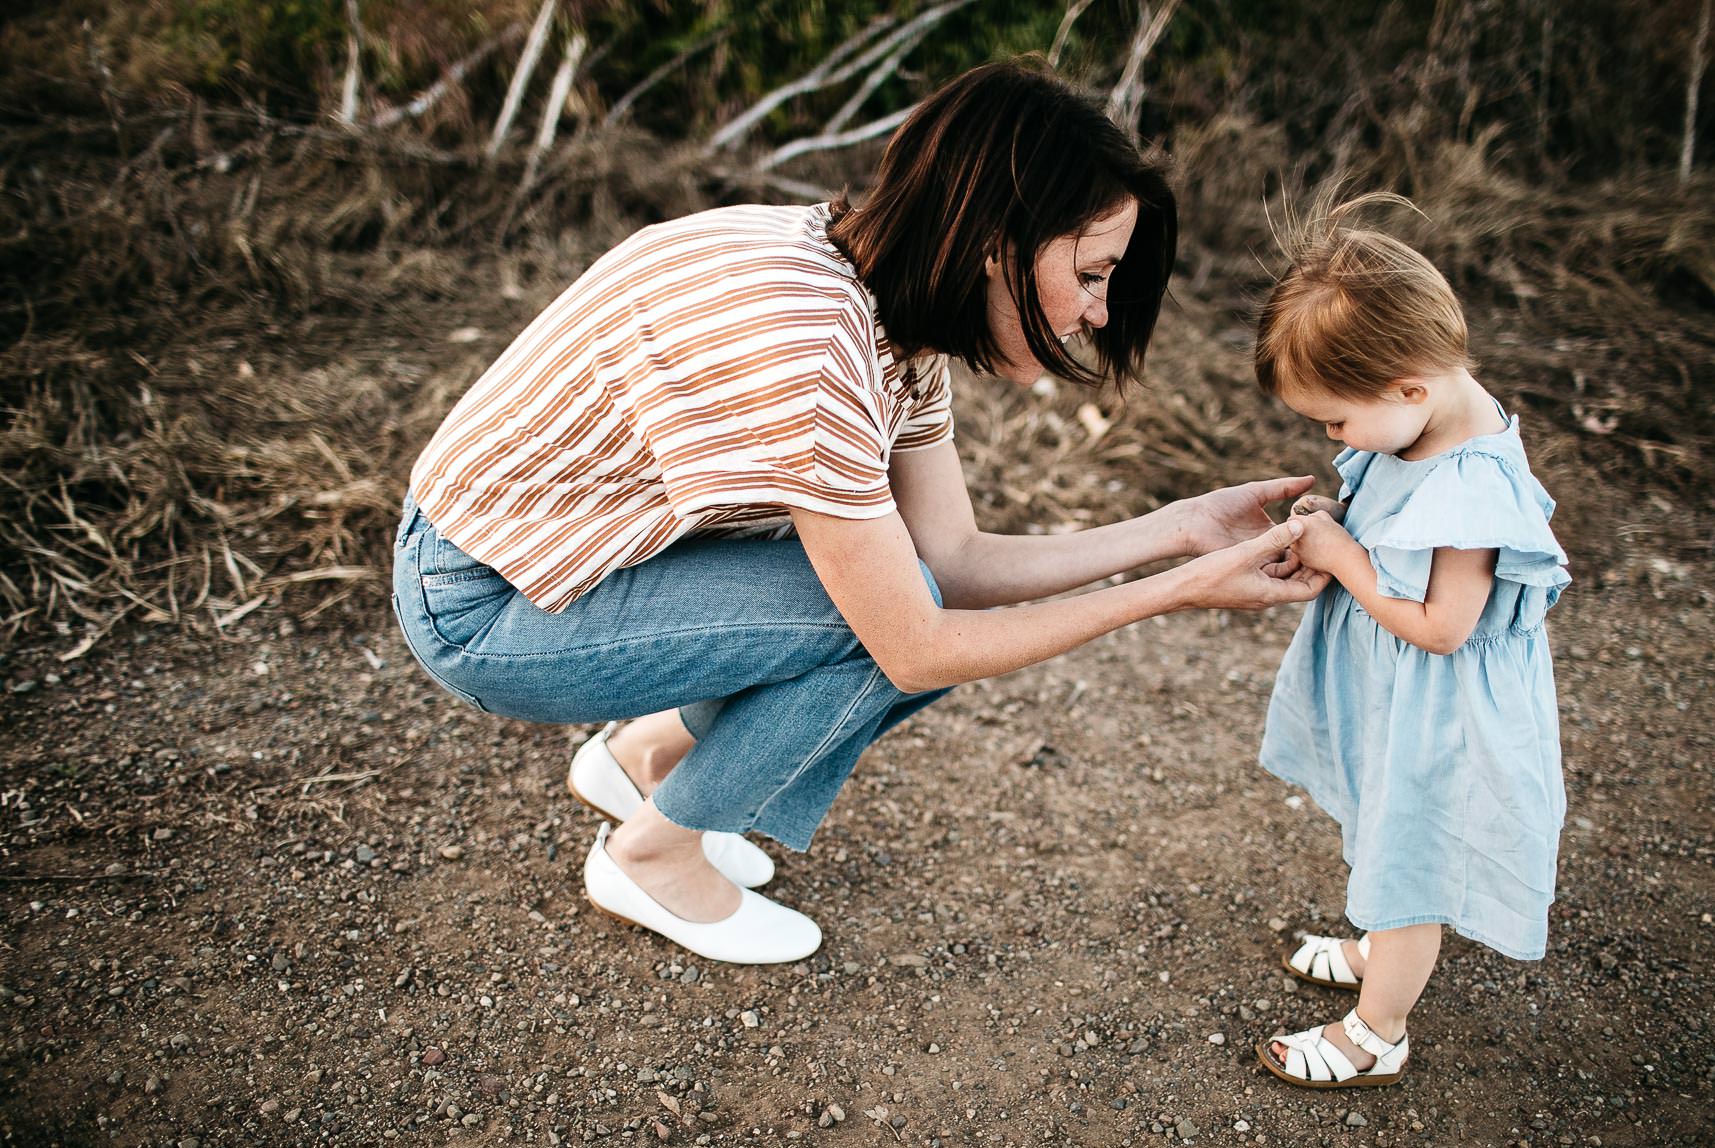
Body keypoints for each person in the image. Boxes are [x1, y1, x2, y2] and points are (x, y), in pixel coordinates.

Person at [392, 58, 1327, 968]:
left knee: (911, 601)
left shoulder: (881, 301)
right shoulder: (813, 348)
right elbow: (915, 639)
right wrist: (1177, 593)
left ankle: (646, 758)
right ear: (997, 242)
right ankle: (652, 858)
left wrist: (1180, 530)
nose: (1098, 309)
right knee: (887, 625)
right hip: (484, 603)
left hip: (571, 563)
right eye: (1091, 273)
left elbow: (953, 556)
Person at [1251, 196, 1571, 1088]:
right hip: (1402, 701)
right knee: (1385, 827)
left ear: (1409, 389)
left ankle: (1378, 1028)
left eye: (1337, 423)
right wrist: (1340, 514)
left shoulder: (1473, 486)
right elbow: (1396, 520)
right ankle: (1377, 951)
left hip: (1446, 715)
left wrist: (1345, 559)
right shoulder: (1424, 420)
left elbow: (1443, 625)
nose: (1333, 439)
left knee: (1412, 857)